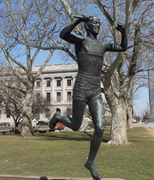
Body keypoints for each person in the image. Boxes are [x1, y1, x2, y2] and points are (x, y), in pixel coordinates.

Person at [49, 15, 127, 180]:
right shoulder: (81, 41)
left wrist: (123, 32)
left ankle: (90, 163)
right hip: (81, 88)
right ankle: (57, 117)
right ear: (87, 26)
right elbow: (63, 34)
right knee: (76, 126)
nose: (97, 25)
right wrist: (78, 21)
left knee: (100, 128)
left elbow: (123, 47)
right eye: (94, 23)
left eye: (99, 23)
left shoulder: (103, 45)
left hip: (95, 90)